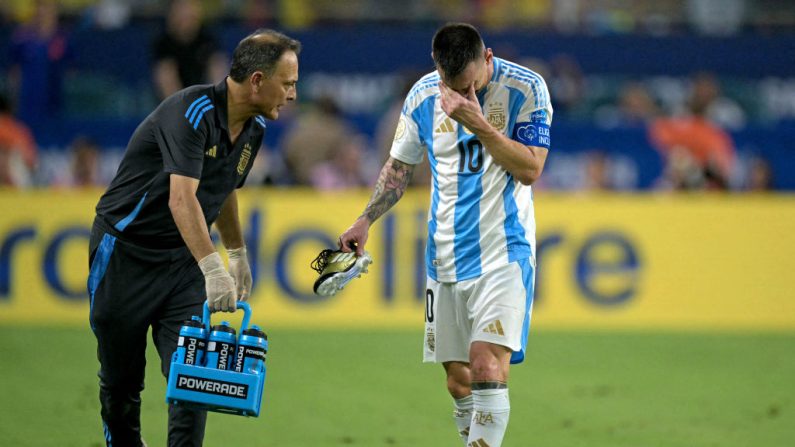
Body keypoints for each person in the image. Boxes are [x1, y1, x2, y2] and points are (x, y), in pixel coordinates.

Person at [338, 23, 551, 447]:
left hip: (503, 250)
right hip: (445, 254)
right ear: (437, 71)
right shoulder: (422, 96)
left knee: (486, 365)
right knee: (459, 382)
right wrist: (365, 220)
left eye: (471, 86)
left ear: (487, 58)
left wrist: (480, 125)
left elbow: (530, 169)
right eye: (453, 88)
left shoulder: (527, 89)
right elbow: (399, 169)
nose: (462, 97)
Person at [87, 29, 300, 446]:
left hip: (182, 264)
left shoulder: (253, 129)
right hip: (125, 257)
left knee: (192, 378)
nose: (293, 94)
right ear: (257, 80)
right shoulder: (190, 111)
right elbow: (181, 199)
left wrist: (236, 251)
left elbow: (222, 191)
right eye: (288, 83)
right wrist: (213, 267)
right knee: (121, 387)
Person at [152, 0, 228, 100]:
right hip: (174, 105)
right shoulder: (164, 43)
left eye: (189, 10)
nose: (186, 15)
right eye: (181, 11)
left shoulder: (207, 39)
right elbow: (166, 80)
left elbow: (217, 71)